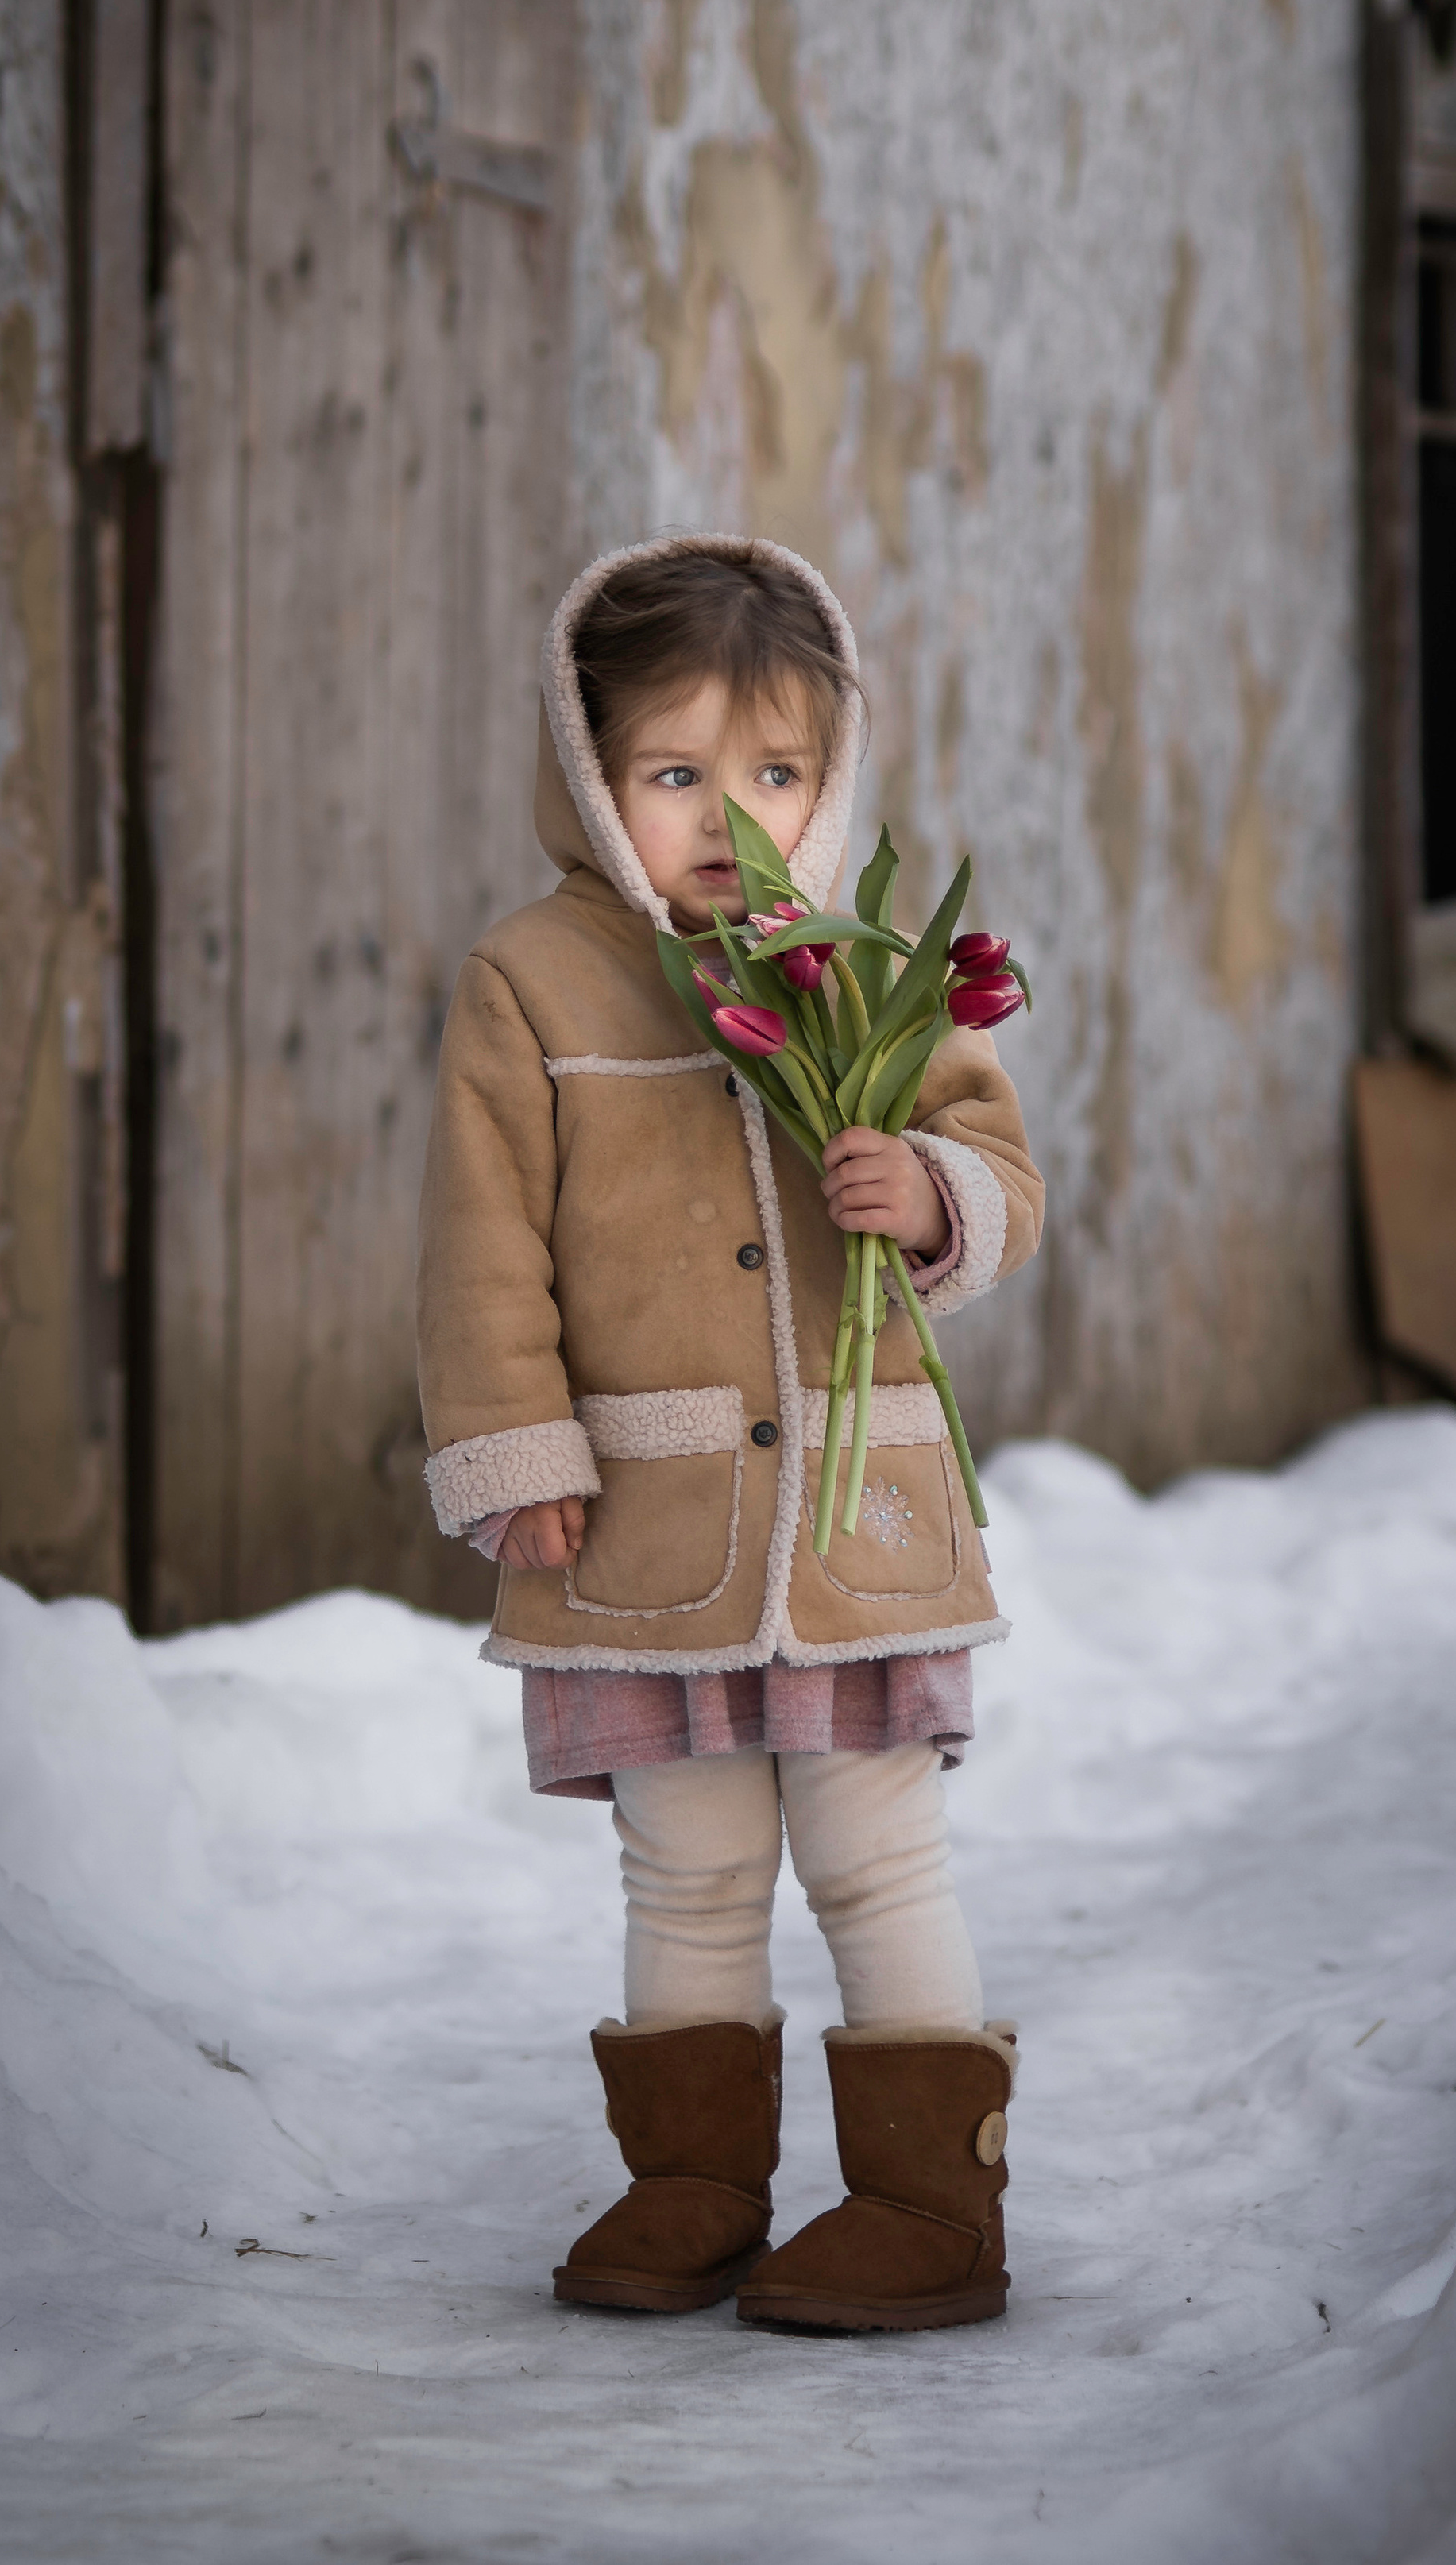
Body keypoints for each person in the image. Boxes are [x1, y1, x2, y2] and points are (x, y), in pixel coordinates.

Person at [415, 533, 1043, 2332]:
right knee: (683, 1857)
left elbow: (1002, 1180)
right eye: (673, 771)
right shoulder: (532, 980)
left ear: (828, 777)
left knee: (872, 1851)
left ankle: (932, 2203)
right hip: (653, 1519)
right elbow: (480, 1248)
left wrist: (923, 1189)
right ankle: (692, 2179)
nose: (726, 814)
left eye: (772, 772)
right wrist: (515, 1448)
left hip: (854, 1531)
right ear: (589, 772)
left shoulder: (866, 968)